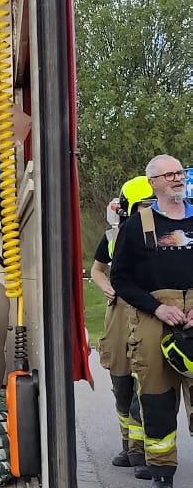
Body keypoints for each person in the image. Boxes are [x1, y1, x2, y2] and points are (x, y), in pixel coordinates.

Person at [109, 156, 193, 488]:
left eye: (179, 173)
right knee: (156, 396)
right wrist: (156, 307)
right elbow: (120, 279)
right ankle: (161, 472)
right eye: (168, 175)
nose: (177, 179)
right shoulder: (136, 226)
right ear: (153, 183)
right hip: (153, 316)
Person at [94, 180, 149, 469]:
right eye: (144, 206)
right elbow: (97, 269)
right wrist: (106, 286)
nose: (149, 212)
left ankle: (141, 451)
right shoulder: (113, 236)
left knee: (145, 385)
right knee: (122, 384)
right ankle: (128, 445)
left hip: (148, 312)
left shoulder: (166, 236)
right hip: (119, 314)